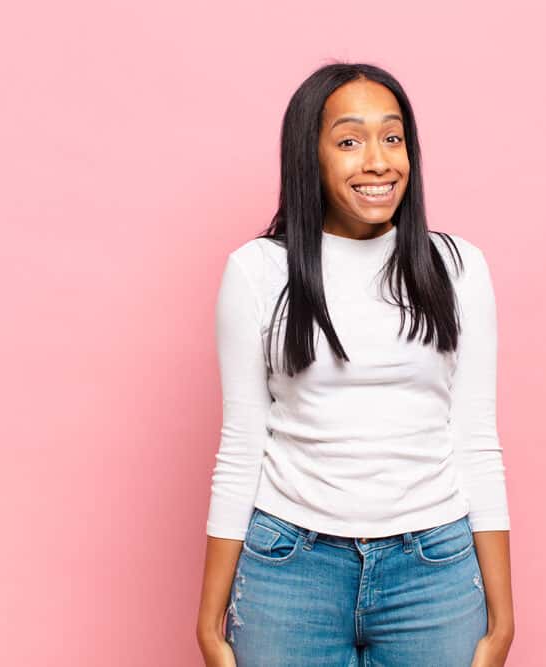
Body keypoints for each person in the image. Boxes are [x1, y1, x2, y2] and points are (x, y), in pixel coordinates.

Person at [196, 62, 514, 667]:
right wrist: (210, 622)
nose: (378, 161)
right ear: (308, 156)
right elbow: (241, 443)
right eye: (349, 141)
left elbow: (475, 439)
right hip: (290, 567)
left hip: (434, 569)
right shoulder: (259, 271)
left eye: (392, 138)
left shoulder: (458, 267)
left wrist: (501, 619)